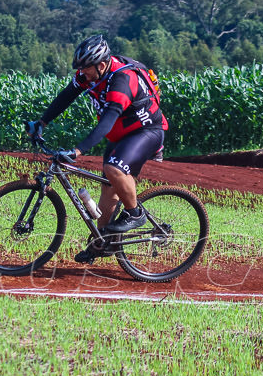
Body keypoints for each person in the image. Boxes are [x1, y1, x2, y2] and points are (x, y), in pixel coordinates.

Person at [27, 35, 168, 264]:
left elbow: (108, 121)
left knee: (113, 170)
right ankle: (104, 242)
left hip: (146, 132)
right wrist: (41, 122)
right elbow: (67, 95)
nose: (82, 74)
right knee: (108, 192)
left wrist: (78, 150)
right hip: (122, 134)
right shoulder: (91, 74)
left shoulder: (122, 80)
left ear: (101, 65)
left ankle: (136, 214)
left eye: (86, 69)